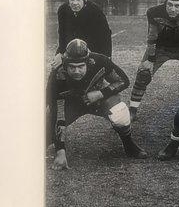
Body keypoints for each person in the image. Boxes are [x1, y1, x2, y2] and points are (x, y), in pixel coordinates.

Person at [46, 39, 148, 170]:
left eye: (80, 66)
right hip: (72, 104)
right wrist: (60, 151)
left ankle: (129, 144)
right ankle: (59, 145)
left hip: (99, 100)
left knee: (119, 113)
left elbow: (123, 80)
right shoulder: (57, 74)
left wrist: (100, 93)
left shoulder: (100, 61)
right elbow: (57, 109)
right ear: (65, 65)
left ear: (88, 62)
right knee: (44, 134)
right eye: (72, 67)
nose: (77, 71)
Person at [128, 0, 179, 121]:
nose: (172, 9)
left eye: (177, 6)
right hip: (161, 48)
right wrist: (150, 59)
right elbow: (152, 36)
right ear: (165, 3)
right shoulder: (154, 12)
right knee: (143, 73)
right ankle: (132, 109)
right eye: (170, 5)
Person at [52, 0, 112, 69]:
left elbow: (105, 36)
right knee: (56, 68)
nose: (75, 3)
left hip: (93, 48)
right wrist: (60, 53)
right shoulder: (62, 10)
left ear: (85, 0)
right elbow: (62, 33)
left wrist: (106, 58)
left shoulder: (95, 11)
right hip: (72, 46)